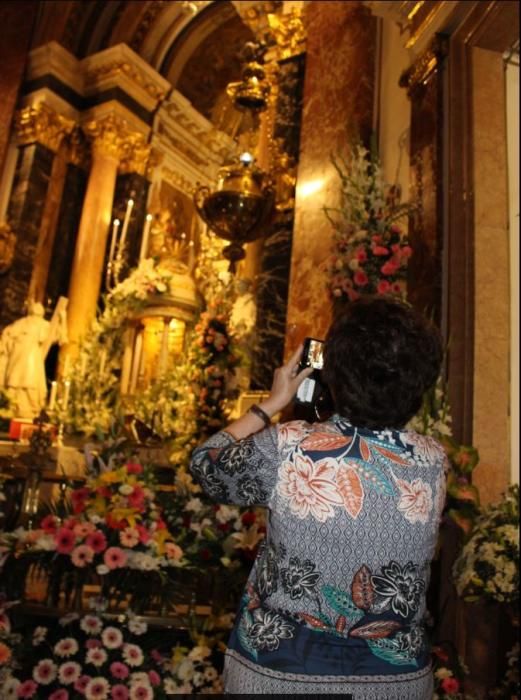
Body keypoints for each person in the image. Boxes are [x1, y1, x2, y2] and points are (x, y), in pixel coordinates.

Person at [190, 296, 446, 698]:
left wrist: (272, 404)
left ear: (334, 372)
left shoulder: (290, 446)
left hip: (279, 674)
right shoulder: (433, 460)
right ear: (420, 384)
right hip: (394, 681)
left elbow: (206, 465)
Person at [0, 300, 67, 418]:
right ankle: (12, 408)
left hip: (32, 358)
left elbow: (62, 338)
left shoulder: (43, 325)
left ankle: (27, 409)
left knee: (30, 384)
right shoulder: (20, 323)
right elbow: (6, 336)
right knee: (14, 384)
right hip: (17, 358)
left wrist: (63, 319)